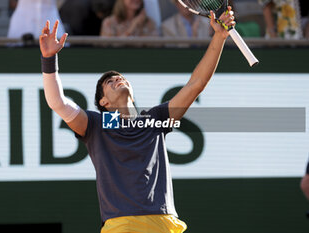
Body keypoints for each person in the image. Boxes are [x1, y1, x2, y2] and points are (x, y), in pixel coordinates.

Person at [39, 6, 235, 232]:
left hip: (164, 224)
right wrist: (49, 60)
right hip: (121, 226)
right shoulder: (97, 125)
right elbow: (57, 103)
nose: (117, 80)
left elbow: (196, 84)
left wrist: (219, 37)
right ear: (104, 103)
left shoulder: (155, 120)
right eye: (109, 83)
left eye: (120, 78)